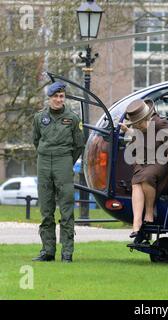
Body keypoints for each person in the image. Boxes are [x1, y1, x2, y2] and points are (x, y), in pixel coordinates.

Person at [32, 81, 85, 262]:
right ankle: (47, 251)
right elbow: (36, 140)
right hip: (44, 162)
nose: (58, 99)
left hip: (64, 162)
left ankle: (67, 252)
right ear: (50, 98)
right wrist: (45, 155)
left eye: (61, 96)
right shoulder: (39, 118)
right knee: (46, 209)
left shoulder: (73, 118)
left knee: (66, 209)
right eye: (55, 96)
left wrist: (68, 161)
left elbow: (79, 145)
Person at [120, 99, 168, 243]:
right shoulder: (140, 127)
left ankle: (149, 213)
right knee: (136, 182)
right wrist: (129, 132)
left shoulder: (159, 123)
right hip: (143, 161)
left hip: (160, 161)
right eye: (136, 124)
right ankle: (136, 225)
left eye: (139, 123)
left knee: (146, 177)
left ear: (146, 118)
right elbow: (139, 140)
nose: (138, 126)